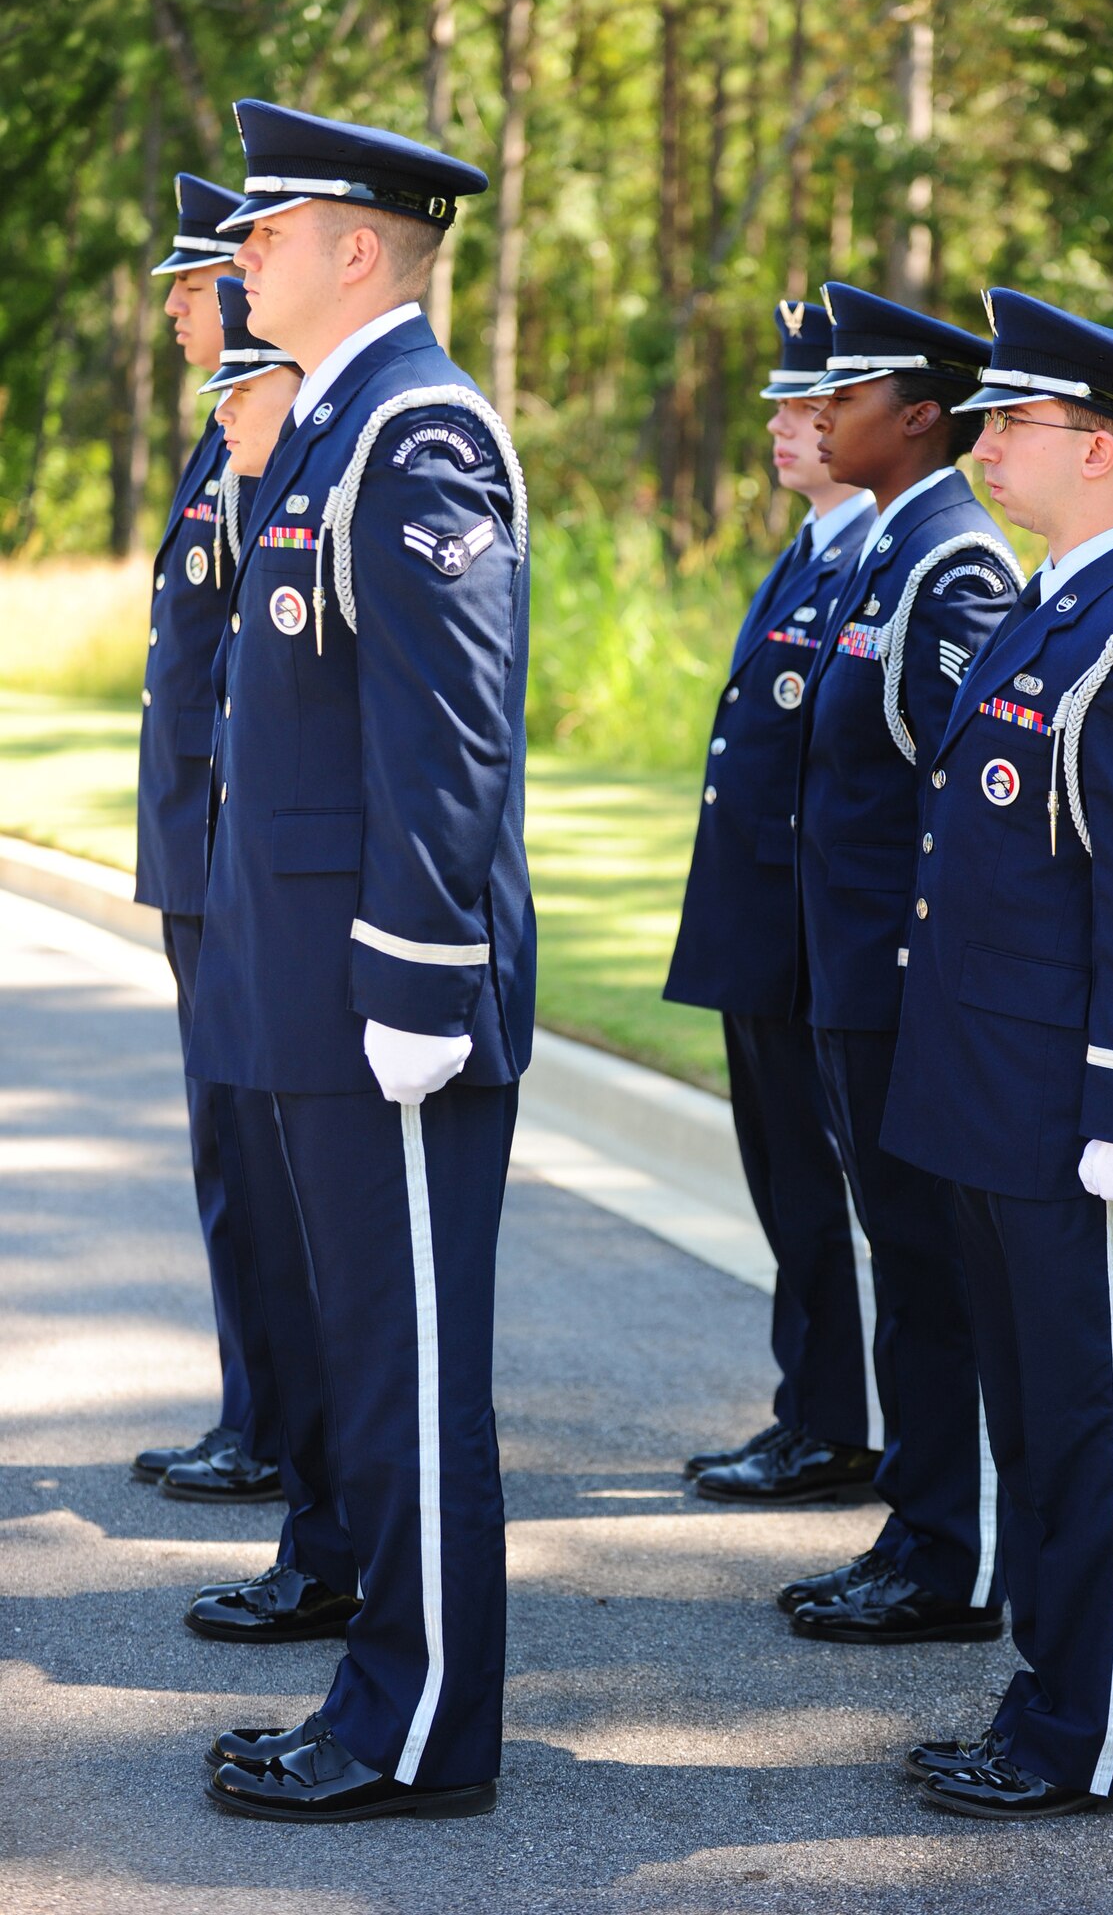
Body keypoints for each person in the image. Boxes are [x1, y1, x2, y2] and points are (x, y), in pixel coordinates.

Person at [189, 100, 535, 1823]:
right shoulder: (333, 431)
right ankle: (382, 1697)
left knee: (406, 1374)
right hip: (314, 983)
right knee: (365, 1360)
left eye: (265, 231)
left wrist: (414, 974)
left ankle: (414, 1733)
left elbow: (449, 735)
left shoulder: (415, 436)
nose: (241, 257)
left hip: (382, 993)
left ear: (355, 248)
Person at [881, 288, 1113, 1819]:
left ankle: (1088, 1741)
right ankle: (1041, 1698)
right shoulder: (1046, 603)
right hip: (991, 1102)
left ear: (1093, 448)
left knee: (1093, 1436)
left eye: (1008, 424)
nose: (980, 444)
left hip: (1075, 1119)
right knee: (1032, 1429)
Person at [775, 282, 1024, 1645]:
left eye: (847, 394)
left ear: (917, 418)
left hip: (901, 988)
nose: (819, 411)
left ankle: (953, 1557)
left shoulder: (949, 566)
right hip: (849, 984)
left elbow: (968, 808)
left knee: (932, 1275)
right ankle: (918, 1526)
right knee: (901, 1264)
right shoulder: (885, 547)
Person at [665, 299, 881, 1504]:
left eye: (809, 408)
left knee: (821, 1187)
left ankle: (839, 1430)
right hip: (761, 930)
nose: (782, 428)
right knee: (782, 1187)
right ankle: (812, 1408)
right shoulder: (807, 551)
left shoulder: (881, 558)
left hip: (815, 941)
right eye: (781, 408)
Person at [181, 275, 362, 1648]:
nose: (223, 413)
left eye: (240, 384)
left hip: (329, 956)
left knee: (332, 1278)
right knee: (284, 1253)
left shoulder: (380, 461)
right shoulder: (279, 484)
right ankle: (317, 1536)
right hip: (261, 924)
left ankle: (339, 1553)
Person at [132, 174, 282, 1506]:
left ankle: (270, 1419)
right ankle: (255, 1405)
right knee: (223, 1149)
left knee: (248, 1153)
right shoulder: (224, 432)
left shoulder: (264, 437)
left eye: (189, 285)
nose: (174, 308)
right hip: (199, 851)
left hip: (229, 853)